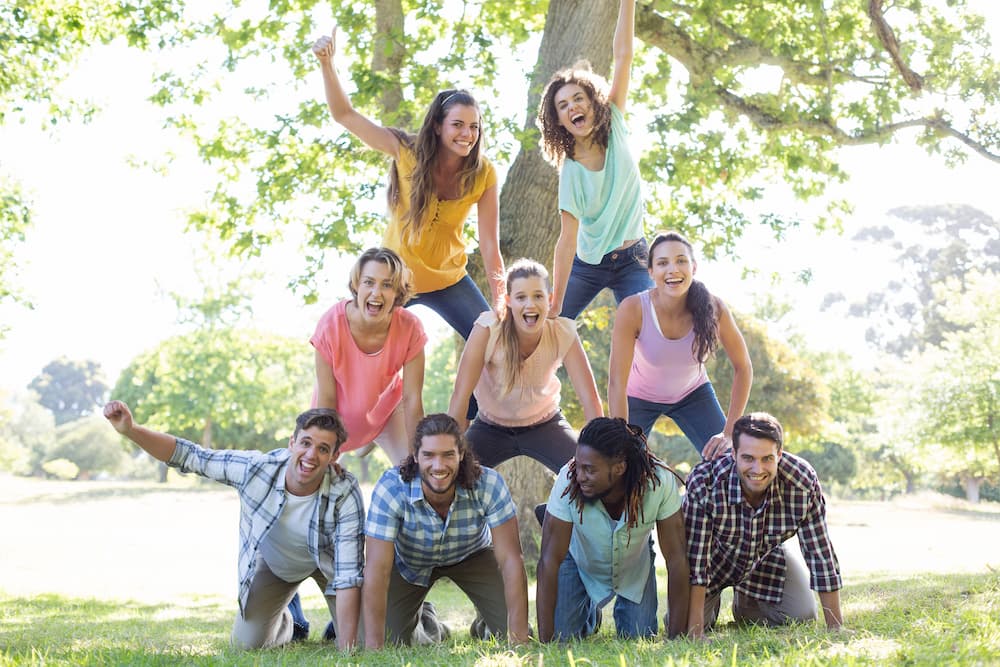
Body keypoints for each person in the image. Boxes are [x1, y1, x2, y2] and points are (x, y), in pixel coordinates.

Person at [102, 401, 364, 650]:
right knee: (246, 645)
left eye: (323, 449)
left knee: (364, 637)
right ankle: (289, 621)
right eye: (305, 443)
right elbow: (191, 456)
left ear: (334, 456)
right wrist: (131, 431)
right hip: (276, 565)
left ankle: (338, 625)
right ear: (292, 443)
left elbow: (348, 574)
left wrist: (348, 651)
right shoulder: (256, 469)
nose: (311, 455)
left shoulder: (344, 490)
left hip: (328, 566)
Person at [312, 28, 505, 339]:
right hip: (395, 279)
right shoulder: (406, 152)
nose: (467, 134)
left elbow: (489, 244)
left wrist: (501, 302)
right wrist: (327, 63)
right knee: (363, 342)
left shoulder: (483, 173)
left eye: (474, 127)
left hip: (449, 278)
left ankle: (467, 392)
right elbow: (344, 115)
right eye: (457, 125)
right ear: (439, 126)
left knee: (491, 343)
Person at [289, 247, 425, 641]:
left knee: (417, 490)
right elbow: (327, 399)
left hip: (387, 416)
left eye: (387, 285)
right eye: (369, 282)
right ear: (356, 284)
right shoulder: (332, 323)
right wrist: (331, 450)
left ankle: (407, 597)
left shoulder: (410, 328)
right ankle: (296, 613)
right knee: (307, 502)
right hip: (336, 420)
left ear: (398, 291)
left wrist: (418, 455)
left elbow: (413, 399)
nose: (376, 293)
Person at [362, 414, 530, 647]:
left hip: (472, 555)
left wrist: (520, 641)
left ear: (461, 454)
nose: (438, 465)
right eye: (429, 455)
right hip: (410, 561)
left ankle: (485, 620)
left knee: (512, 627)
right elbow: (376, 568)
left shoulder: (489, 484)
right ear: (416, 456)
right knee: (389, 639)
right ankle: (427, 619)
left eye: (448, 455)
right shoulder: (391, 488)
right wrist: (373, 649)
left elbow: (511, 559)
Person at [537, 0, 651, 320]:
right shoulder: (571, 173)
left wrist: (627, 3)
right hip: (589, 265)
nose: (573, 107)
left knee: (647, 324)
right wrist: (557, 301)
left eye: (578, 98)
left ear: (593, 102)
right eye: (563, 105)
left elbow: (623, 57)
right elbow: (566, 241)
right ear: (558, 120)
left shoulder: (614, 120)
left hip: (634, 258)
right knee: (553, 326)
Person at [683, 412, 844, 638]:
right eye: (748, 458)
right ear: (734, 454)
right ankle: (712, 604)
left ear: (779, 454)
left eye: (767, 458)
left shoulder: (802, 482)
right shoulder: (705, 482)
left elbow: (820, 552)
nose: (758, 469)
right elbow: (695, 561)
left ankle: (747, 604)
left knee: (802, 614)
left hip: (763, 558)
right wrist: (695, 632)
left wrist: (835, 627)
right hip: (713, 562)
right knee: (681, 625)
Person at [536, 417, 690, 641]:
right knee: (564, 638)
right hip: (578, 558)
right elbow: (548, 560)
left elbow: (677, 559)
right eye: (578, 466)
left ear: (619, 468)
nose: (580, 476)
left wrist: (677, 637)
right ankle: (591, 615)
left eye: (589, 470)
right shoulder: (567, 480)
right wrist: (546, 641)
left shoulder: (658, 481)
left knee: (639, 637)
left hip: (634, 562)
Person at [446, 258, 603, 473]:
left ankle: (549, 509)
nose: (530, 304)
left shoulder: (562, 332)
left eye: (538, 296)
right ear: (509, 300)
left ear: (549, 299)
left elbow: (589, 398)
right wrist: (449, 453)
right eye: (521, 297)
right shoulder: (488, 329)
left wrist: (600, 453)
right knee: (455, 477)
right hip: (490, 428)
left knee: (591, 474)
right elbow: (460, 396)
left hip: (546, 424)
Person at [608, 230, 752, 460]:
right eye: (663, 263)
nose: (673, 269)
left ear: (693, 267)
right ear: (651, 272)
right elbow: (616, 381)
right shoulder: (633, 308)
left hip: (693, 395)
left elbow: (743, 367)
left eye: (681, 261)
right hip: (638, 397)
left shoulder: (714, 308)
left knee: (730, 460)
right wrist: (621, 435)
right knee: (622, 463)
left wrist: (728, 433)